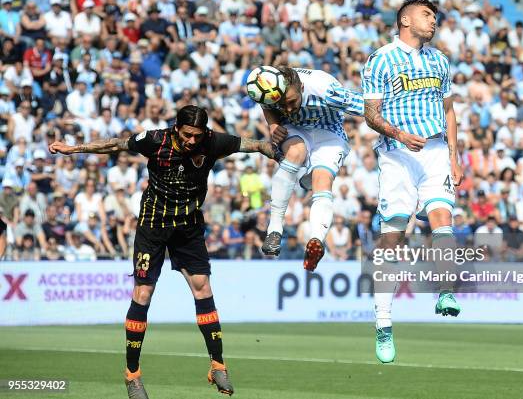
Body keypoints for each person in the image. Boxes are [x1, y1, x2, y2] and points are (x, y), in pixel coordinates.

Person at [49, 105, 279, 398]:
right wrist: (74, 149)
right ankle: (132, 374)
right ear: (175, 128)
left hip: (188, 226)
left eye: (197, 136)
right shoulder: (155, 140)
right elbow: (116, 144)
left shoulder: (213, 141)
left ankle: (218, 364)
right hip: (153, 226)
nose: (192, 142)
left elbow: (253, 145)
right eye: (187, 135)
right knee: (143, 293)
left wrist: (273, 147)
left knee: (202, 287)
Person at [361, 0, 463, 363]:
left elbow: (449, 110)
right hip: (397, 154)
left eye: (435, 16)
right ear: (405, 19)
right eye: (427, 14)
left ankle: (446, 291)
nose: (434, 21)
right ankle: (383, 323)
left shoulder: (439, 60)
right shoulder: (381, 58)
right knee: (394, 234)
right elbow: (369, 114)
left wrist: (454, 154)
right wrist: (399, 135)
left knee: (442, 219)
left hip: (435, 151)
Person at [256, 66, 363, 271]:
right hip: (296, 130)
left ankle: (316, 240)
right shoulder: (271, 83)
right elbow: (263, 102)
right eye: (282, 104)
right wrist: (272, 125)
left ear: (302, 88)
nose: (287, 109)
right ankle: (275, 230)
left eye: (292, 102)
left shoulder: (326, 89)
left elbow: (368, 107)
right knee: (295, 152)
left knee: (322, 181)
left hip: (329, 132)